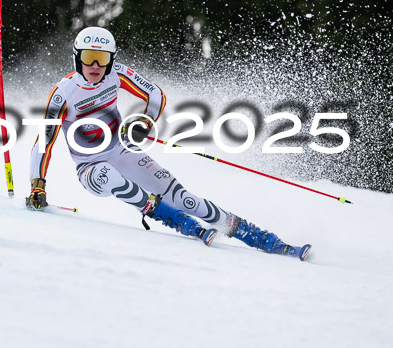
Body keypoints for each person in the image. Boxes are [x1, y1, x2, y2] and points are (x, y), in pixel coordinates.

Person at [26, 26, 312, 261]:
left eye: (102, 58)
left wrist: (143, 122)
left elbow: (155, 95)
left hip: (122, 152)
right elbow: (44, 141)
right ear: (77, 58)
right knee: (109, 175)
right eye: (89, 57)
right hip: (90, 169)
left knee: (186, 199)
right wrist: (37, 184)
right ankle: (172, 219)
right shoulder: (64, 94)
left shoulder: (117, 74)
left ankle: (264, 239)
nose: (95, 66)